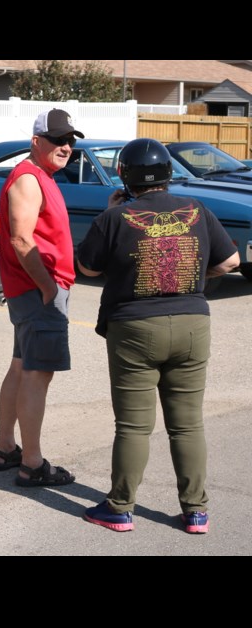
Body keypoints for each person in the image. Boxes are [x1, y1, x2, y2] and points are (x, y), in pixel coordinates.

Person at [77, 138, 239, 533]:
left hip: (134, 327)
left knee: (133, 426)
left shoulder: (115, 217)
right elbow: (231, 260)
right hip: (192, 323)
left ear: (125, 176)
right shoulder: (197, 210)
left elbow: (88, 268)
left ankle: (119, 507)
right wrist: (194, 277)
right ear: (168, 173)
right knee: (187, 425)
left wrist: (113, 213)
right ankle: (196, 511)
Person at [0, 109, 79, 487]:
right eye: (58, 140)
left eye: (70, 140)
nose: (66, 146)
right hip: (37, 292)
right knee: (37, 375)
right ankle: (32, 462)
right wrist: (47, 287)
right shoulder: (28, 179)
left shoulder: (41, 174)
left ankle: (7, 448)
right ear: (36, 141)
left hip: (31, 292)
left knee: (20, 368)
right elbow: (22, 239)